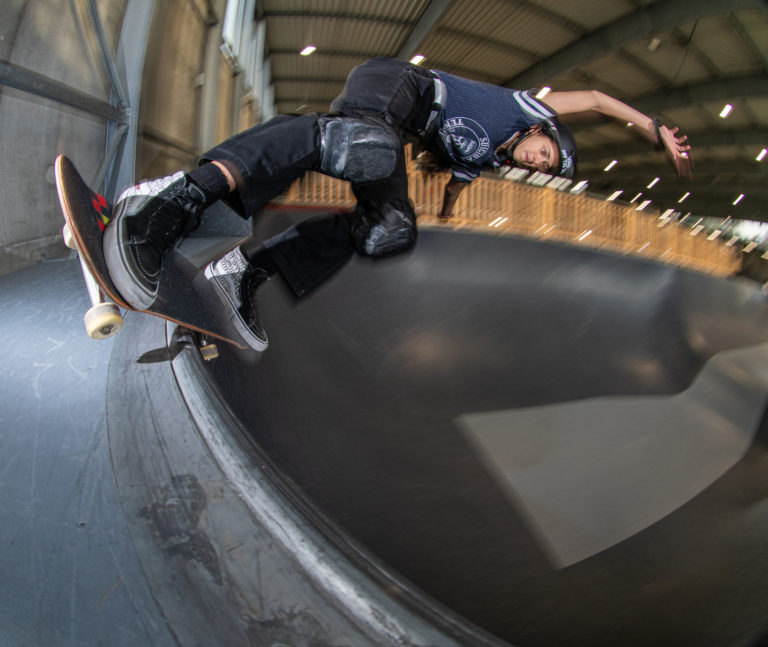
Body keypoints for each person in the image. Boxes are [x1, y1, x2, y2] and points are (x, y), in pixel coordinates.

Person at [103, 57, 692, 351]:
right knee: (362, 142)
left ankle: (245, 272)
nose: (536, 163)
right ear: (547, 134)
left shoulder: (483, 160)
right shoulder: (528, 109)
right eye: (545, 155)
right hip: (394, 85)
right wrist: (655, 127)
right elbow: (593, 96)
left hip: (389, 138)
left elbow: (454, 185)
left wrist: (448, 209)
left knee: (390, 229)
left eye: (541, 170)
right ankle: (176, 197)